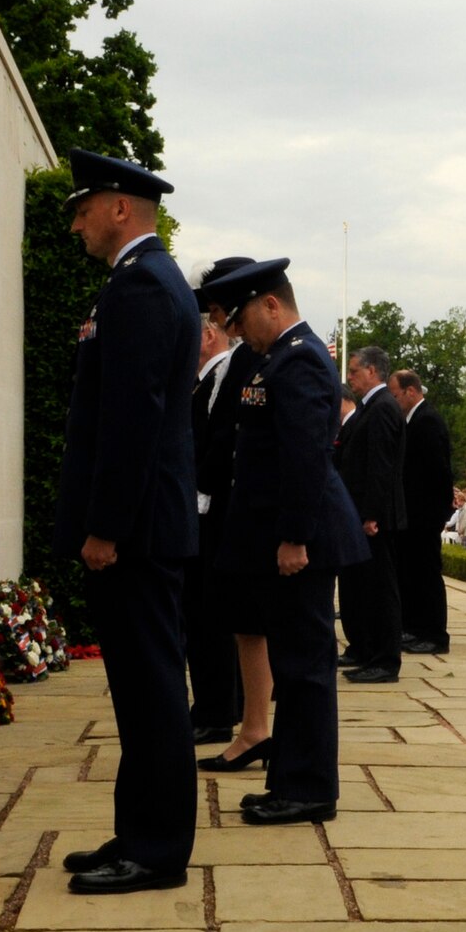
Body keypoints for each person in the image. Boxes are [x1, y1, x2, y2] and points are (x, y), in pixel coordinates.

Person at [52, 149, 203, 895]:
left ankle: (156, 849)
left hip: (136, 529)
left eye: (85, 206)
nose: (76, 220)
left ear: (120, 209)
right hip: (145, 524)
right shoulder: (140, 281)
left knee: (150, 691)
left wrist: (105, 524)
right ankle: (139, 831)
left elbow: (131, 422)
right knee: (142, 691)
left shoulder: (141, 286)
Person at [203, 258, 368, 824]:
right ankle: (290, 779)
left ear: (272, 304)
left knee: (305, 668)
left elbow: (304, 457)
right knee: (295, 665)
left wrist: (294, 537)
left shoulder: (298, 361)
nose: (236, 331)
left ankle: (311, 789)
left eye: (243, 316)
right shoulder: (276, 356)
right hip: (285, 534)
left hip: (305, 538)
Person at [187, 259, 256, 747]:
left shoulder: (231, 370)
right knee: (210, 618)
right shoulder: (217, 375)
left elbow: (221, 443)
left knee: (211, 619)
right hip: (209, 507)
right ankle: (219, 705)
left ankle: (218, 710)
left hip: (217, 510)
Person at [336, 346, 407, 682]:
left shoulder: (381, 408)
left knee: (382, 590)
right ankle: (367, 649)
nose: (350, 378)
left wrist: (372, 514)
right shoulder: (372, 406)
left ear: (372, 371)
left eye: (353, 371)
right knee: (367, 588)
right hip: (365, 512)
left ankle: (385, 659)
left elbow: (380, 466)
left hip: (378, 517)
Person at [391, 370, 455, 654]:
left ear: (411, 391)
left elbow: (438, 473)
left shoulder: (427, 420)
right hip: (416, 513)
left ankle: (434, 634)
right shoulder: (414, 419)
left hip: (425, 515)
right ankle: (416, 628)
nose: (394, 401)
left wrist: (437, 514)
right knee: (414, 573)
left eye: (395, 395)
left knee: (427, 574)